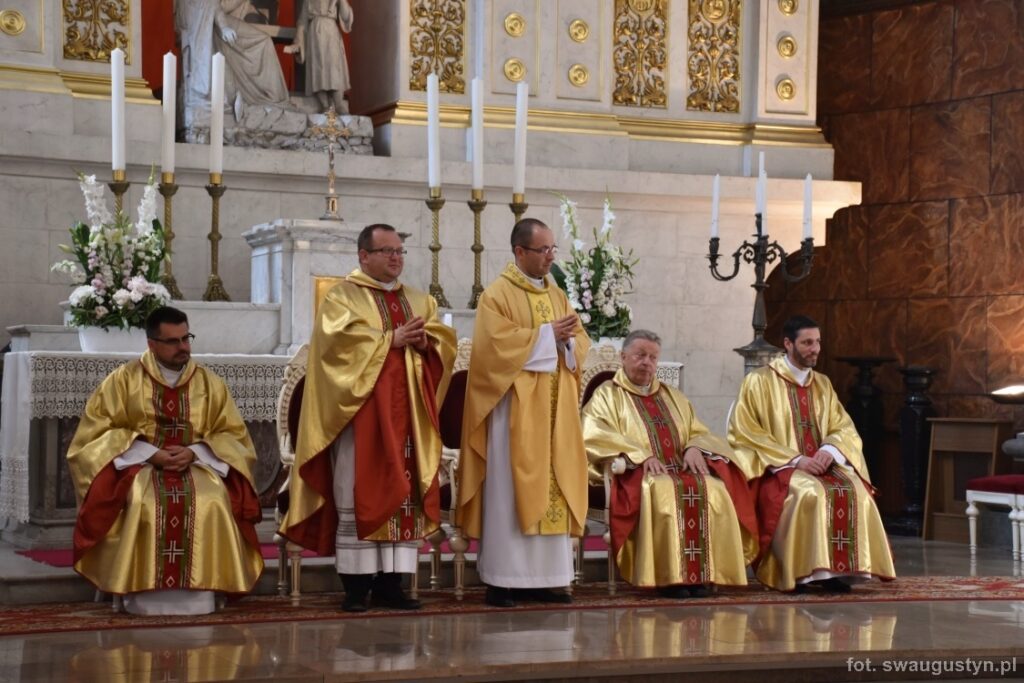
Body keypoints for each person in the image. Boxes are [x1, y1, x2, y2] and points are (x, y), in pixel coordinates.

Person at [279, 224, 457, 612]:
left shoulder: (419, 300)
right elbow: (334, 350)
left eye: (399, 251)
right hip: (361, 418)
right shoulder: (342, 298)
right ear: (363, 256)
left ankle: (393, 585)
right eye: (386, 251)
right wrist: (390, 340)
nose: (396, 258)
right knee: (357, 491)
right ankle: (356, 588)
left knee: (403, 496)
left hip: (408, 420)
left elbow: (443, 346)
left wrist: (426, 343)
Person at [67, 306, 263, 615]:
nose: (183, 347)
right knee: (144, 500)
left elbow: (234, 435)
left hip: (197, 465)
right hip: (140, 466)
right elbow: (94, 435)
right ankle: (139, 592)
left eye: (186, 338)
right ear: (151, 344)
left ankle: (204, 591)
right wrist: (149, 453)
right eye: (173, 341)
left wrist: (196, 451)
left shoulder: (210, 384)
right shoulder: (123, 381)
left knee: (211, 499)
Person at [457, 217, 590, 608]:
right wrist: (548, 336)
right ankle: (503, 580)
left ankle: (549, 579)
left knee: (554, 485)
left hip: (554, 413)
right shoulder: (496, 295)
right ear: (519, 251)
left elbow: (579, 340)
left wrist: (567, 342)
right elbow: (492, 350)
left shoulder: (557, 294)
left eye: (552, 248)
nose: (550, 257)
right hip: (513, 413)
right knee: (508, 492)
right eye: (542, 249)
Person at [582, 329, 758, 597]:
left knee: (714, 488)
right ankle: (669, 578)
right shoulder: (607, 395)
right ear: (623, 357)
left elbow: (698, 430)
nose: (647, 362)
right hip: (636, 473)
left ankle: (702, 575)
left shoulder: (672, 395)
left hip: (680, 468)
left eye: (653, 357)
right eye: (640, 355)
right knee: (665, 491)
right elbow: (593, 433)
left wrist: (695, 447)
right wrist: (640, 455)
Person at [727, 315, 896, 592]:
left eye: (817, 342)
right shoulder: (758, 381)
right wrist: (796, 460)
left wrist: (830, 450)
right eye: (807, 343)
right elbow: (746, 432)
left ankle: (838, 571)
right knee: (811, 492)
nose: (815, 349)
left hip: (821, 464)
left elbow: (843, 426)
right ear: (788, 344)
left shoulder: (822, 384)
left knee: (855, 489)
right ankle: (801, 573)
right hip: (780, 468)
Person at [176, 0, 290, 127]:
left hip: (217, 16)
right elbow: (214, 5)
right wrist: (223, 26)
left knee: (264, 41)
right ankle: (269, 100)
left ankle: (274, 99)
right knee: (262, 42)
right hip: (208, 19)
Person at [286, 0, 354, 113]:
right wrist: (298, 41)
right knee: (318, 69)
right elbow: (302, 21)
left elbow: (347, 17)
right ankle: (325, 105)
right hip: (315, 32)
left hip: (331, 30)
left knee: (334, 68)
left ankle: (338, 103)